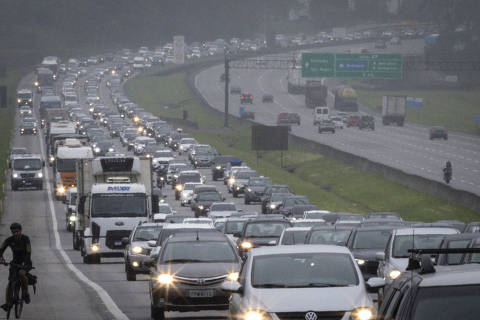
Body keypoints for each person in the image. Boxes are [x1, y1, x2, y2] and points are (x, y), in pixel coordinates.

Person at [0, 223, 32, 311]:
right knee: (10, 282)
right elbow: (1, 250)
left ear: (21, 231)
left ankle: (26, 293)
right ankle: (7, 303)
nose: (15, 234)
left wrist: (24, 265)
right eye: (13, 232)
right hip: (15, 262)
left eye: (17, 232)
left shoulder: (26, 239)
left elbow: (29, 253)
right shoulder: (9, 240)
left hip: (26, 262)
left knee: (22, 274)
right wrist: (1, 258)